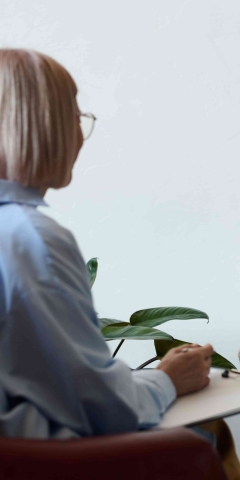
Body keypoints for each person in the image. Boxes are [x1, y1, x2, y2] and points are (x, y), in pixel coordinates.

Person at [0, 48, 214, 439]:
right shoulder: (29, 241)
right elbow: (103, 409)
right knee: (204, 434)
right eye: (75, 115)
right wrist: (167, 379)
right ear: (41, 125)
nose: (81, 135)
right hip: (42, 462)